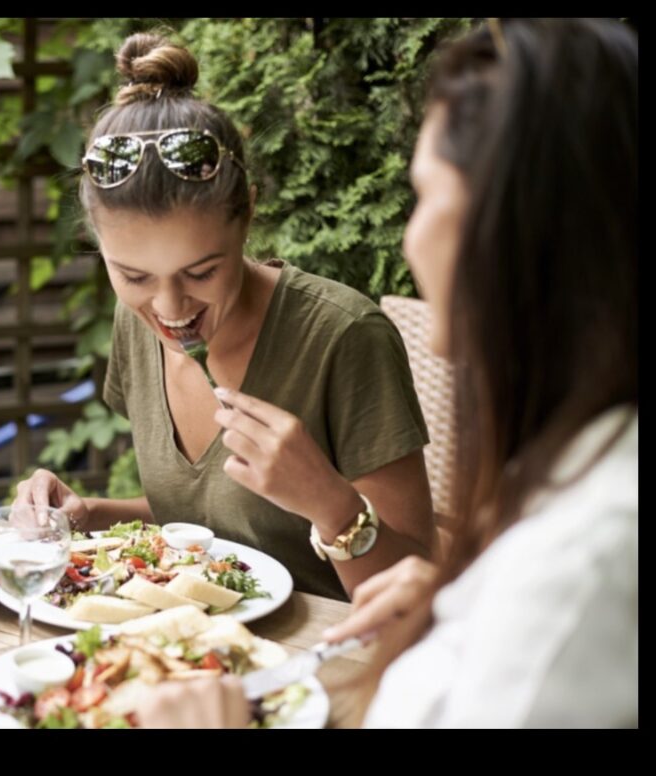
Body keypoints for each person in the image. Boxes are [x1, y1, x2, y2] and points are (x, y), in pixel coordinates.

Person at [141, 18, 638, 728]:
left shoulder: (579, 572)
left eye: (426, 193)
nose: (410, 234)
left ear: (516, 226)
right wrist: (457, 610)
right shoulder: (574, 490)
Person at [16, 32, 436, 600]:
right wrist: (88, 514)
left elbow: (420, 595)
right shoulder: (133, 325)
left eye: (201, 271)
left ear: (248, 215)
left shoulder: (344, 336)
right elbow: (209, 523)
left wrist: (329, 503)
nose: (170, 309)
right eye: (135, 276)